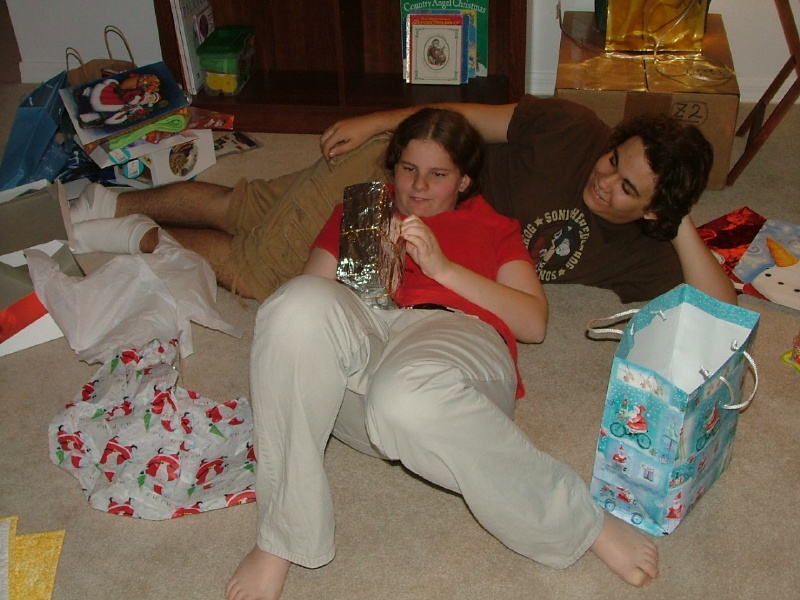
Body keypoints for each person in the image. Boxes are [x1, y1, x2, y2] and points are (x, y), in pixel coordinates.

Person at [224, 107, 658, 600]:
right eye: (408, 169)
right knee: (291, 307)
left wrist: (443, 268)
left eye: (438, 174)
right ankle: (282, 537)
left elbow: (533, 323)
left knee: (404, 396)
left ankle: (581, 522)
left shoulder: (491, 225)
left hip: (450, 350)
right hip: (362, 357)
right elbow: (308, 313)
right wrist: (368, 272)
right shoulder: (360, 212)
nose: (418, 186)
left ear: (464, 180)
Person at [68, 95, 737, 307]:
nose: (604, 179)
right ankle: (114, 218)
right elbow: (464, 117)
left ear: (657, 212)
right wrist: (382, 124)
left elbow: (725, 313)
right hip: (406, 174)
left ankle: (109, 211)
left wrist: (679, 222)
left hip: (426, 211)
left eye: (627, 187)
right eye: (614, 160)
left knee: (252, 209)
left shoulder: (646, 249)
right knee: (256, 268)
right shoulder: (572, 129)